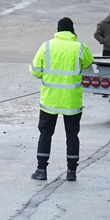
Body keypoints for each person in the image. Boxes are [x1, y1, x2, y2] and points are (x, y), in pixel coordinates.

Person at [29, 17, 94, 182]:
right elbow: (88, 64)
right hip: (71, 101)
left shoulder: (47, 46)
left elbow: (35, 71)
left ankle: (41, 169)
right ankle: (71, 172)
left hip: (49, 101)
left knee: (45, 134)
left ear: (57, 31)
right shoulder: (80, 47)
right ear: (72, 31)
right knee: (72, 135)